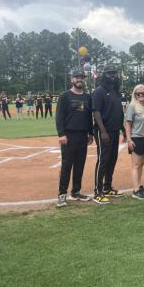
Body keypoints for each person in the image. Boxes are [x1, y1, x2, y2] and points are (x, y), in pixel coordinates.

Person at [55, 69, 93, 207]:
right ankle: (62, 194)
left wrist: (91, 133)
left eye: (81, 77)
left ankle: (76, 191)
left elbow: (89, 117)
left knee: (79, 165)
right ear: (71, 79)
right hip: (69, 136)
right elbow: (59, 116)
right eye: (77, 77)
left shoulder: (87, 97)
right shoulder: (65, 96)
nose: (79, 80)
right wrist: (61, 134)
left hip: (83, 135)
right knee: (66, 165)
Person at [92, 65, 126, 204]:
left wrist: (123, 128)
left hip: (115, 130)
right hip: (103, 131)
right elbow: (96, 112)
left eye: (114, 73)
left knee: (112, 159)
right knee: (103, 160)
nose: (112, 76)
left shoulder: (116, 92)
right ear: (104, 75)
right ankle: (97, 191)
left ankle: (107, 187)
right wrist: (103, 131)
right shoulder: (99, 92)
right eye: (109, 73)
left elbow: (118, 112)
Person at [124, 84, 144, 200]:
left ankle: (139, 186)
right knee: (136, 165)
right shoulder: (132, 106)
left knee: (141, 164)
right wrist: (129, 139)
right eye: (138, 94)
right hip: (136, 138)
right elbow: (128, 124)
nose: (140, 95)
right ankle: (135, 190)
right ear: (134, 95)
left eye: (143, 93)